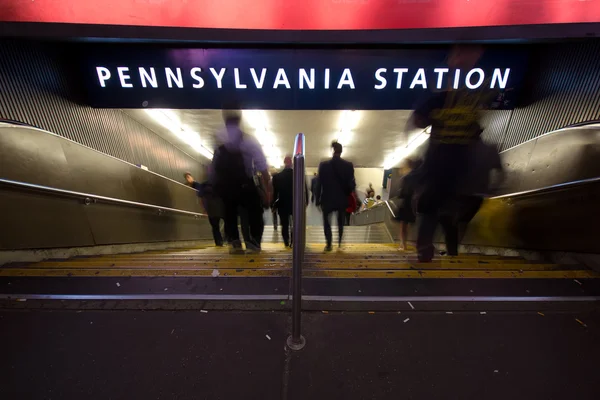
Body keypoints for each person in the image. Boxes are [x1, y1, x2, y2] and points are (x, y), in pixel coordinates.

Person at [408, 44, 489, 262]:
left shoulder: (474, 91)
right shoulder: (439, 91)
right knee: (440, 207)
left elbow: (417, 119)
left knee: (437, 206)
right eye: (461, 53)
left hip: (450, 162)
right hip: (447, 163)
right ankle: (435, 248)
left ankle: (432, 247)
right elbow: (419, 117)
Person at [210, 109, 271, 254]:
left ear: (225, 121)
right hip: (245, 184)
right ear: (239, 121)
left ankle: (235, 242)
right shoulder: (248, 140)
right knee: (254, 212)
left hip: (226, 186)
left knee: (229, 213)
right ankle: (254, 242)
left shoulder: (218, 138)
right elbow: (262, 165)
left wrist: (214, 185)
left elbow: (214, 165)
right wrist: (268, 189)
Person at [315, 141, 356, 251]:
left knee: (326, 221)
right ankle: (339, 242)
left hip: (327, 199)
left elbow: (319, 183)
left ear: (332, 151)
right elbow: (352, 184)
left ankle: (329, 244)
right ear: (341, 151)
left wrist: (317, 199)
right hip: (341, 199)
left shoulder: (323, 165)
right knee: (340, 221)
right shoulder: (348, 166)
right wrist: (347, 193)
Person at [272, 156, 309, 248]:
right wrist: (306, 202)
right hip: (295, 204)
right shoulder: (298, 176)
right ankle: (294, 241)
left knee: (284, 224)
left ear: (284, 162)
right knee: (295, 223)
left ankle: (286, 242)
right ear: (292, 163)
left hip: (282, 203)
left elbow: (275, 193)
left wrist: (273, 204)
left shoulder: (277, 177)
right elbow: (304, 190)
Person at [185, 172, 225, 247]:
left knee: (215, 227)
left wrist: (204, 208)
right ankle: (229, 239)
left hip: (211, 209)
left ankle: (219, 242)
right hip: (220, 207)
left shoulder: (204, 185)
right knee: (227, 223)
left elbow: (201, 197)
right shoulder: (220, 184)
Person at [389, 159, 421, 251]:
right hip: (413, 204)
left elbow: (403, 192)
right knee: (407, 225)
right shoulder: (417, 177)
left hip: (406, 204)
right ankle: (404, 244)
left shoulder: (407, 177)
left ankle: (403, 245)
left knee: (403, 226)